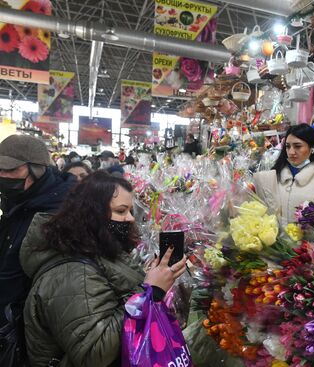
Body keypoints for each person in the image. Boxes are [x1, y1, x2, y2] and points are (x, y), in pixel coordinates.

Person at [21, 171, 187, 366]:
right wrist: (151, 291)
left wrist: (148, 278)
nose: (130, 219)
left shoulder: (93, 249)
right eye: (121, 211)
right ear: (92, 214)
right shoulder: (73, 273)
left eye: (130, 211)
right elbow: (95, 352)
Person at [0, 134, 75, 363]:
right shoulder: (19, 200)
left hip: (27, 333)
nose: (2, 176)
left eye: (10, 170)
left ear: (37, 170)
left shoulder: (59, 213)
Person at [253, 123, 314, 225]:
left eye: (297, 146)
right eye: (287, 146)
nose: (291, 152)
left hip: (310, 240)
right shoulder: (273, 178)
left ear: (312, 148)